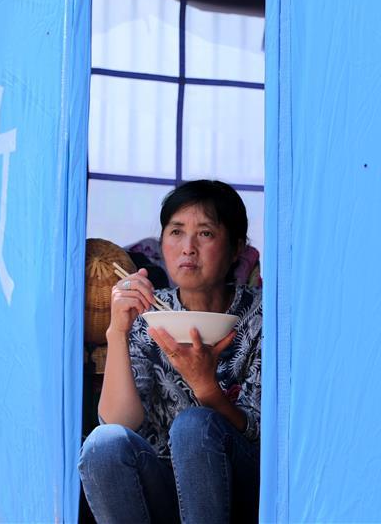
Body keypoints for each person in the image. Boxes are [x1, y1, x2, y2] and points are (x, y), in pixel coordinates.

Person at [79, 180, 262, 524]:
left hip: (240, 487)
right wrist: (117, 331)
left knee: (194, 425)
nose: (187, 248)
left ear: (236, 247)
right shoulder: (148, 311)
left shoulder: (261, 316)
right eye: (176, 231)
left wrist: (206, 388)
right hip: (164, 486)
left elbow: (259, 432)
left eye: (205, 233)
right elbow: (120, 422)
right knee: (103, 443)